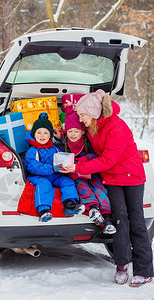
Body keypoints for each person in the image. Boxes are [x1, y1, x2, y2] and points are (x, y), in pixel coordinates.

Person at [58, 89, 153, 287]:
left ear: (92, 113)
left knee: (136, 221)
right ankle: (122, 265)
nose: (81, 119)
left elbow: (108, 160)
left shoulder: (116, 127)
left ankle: (144, 270)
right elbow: (81, 140)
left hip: (132, 177)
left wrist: (78, 167)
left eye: (82, 115)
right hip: (111, 178)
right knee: (119, 220)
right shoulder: (93, 127)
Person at [54, 110, 116, 235]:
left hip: (91, 173)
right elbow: (57, 157)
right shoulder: (63, 144)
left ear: (82, 131)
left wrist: (84, 160)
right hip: (76, 175)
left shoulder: (88, 142)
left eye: (76, 131)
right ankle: (93, 208)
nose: (73, 134)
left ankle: (107, 217)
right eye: (70, 131)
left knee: (100, 190)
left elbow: (97, 155)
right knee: (83, 187)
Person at [24, 112, 84, 222]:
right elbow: (33, 167)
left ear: (50, 135)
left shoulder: (54, 148)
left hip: (54, 175)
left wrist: (65, 165)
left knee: (67, 181)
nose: (42, 136)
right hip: (37, 176)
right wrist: (52, 168)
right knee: (44, 184)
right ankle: (44, 210)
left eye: (46, 133)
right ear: (34, 134)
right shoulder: (32, 151)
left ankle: (70, 204)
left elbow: (60, 158)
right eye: (39, 132)